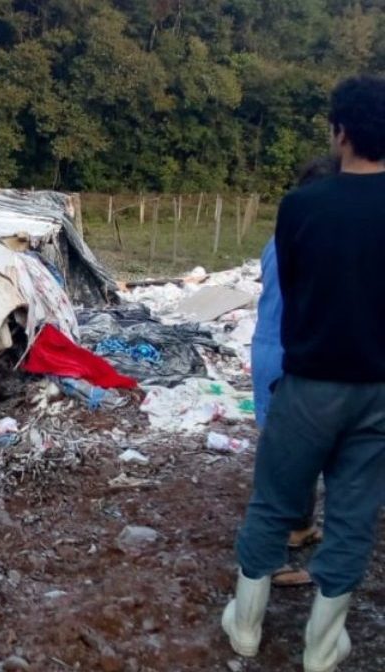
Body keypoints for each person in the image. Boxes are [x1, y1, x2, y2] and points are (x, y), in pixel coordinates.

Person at [223, 74, 385, 672]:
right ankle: (322, 645)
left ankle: (245, 628)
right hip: (378, 391)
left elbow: (292, 288)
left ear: (339, 131)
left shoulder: (300, 207)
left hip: (309, 382)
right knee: (353, 512)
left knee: (273, 503)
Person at [250, 156, 338, 586]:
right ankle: (274, 556)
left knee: (283, 447)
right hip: (295, 353)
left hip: (269, 347)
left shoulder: (281, 236)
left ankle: (299, 526)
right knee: (291, 455)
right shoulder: (321, 239)